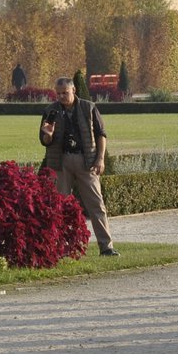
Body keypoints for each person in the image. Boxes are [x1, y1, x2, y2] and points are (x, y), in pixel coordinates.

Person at [39, 77, 117, 256]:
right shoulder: (50, 111)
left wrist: (100, 159)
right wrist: (48, 135)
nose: (61, 97)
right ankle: (60, 247)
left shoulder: (88, 107)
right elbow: (44, 141)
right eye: (58, 93)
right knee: (60, 206)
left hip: (86, 161)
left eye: (64, 93)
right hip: (60, 162)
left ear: (73, 90)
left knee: (96, 204)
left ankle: (106, 247)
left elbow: (101, 134)